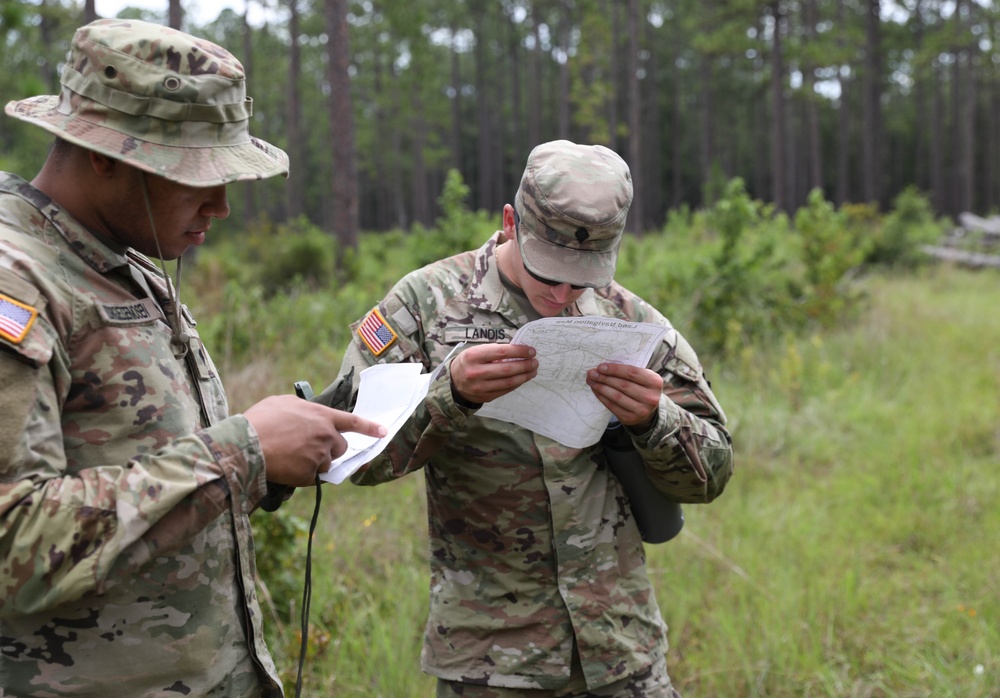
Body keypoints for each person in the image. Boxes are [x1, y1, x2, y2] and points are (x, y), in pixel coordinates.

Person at [0, 18, 386, 697]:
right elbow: (14, 544)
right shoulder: (17, 279)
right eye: (194, 176)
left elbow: (141, 457)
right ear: (105, 155)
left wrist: (278, 453)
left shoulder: (122, 262)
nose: (223, 205)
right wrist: (242, 452)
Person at [336, 140, 735, 697]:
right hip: (490, 661)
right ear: (509, 222)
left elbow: (712, 474)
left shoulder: (633, 323)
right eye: (548, 271)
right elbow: (350, 455)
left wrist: (654, 420)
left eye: (582, 276)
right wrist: (447, 397)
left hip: (622, 651)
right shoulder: (426, 307)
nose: (562, 292)